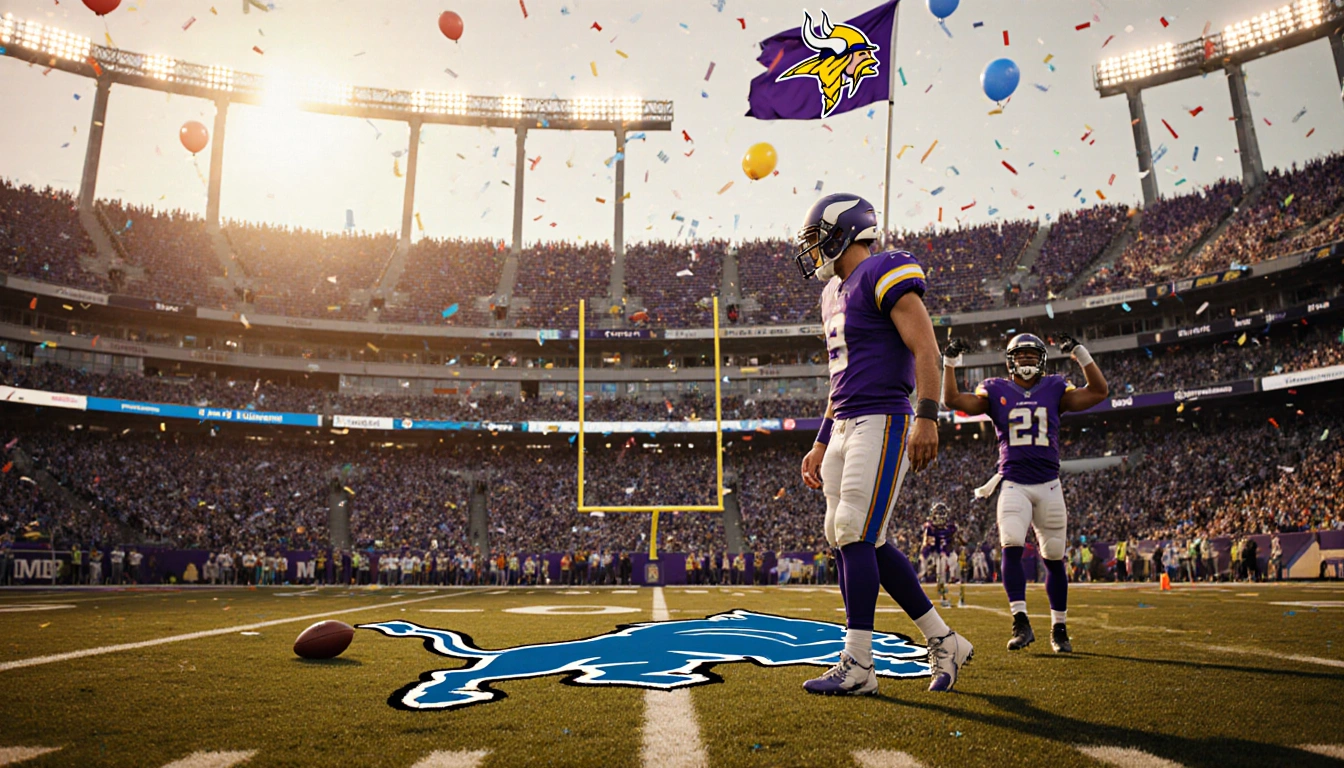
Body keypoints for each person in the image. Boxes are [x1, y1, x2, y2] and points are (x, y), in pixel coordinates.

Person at [795, 192, 972, 695]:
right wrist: (820, 440)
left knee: (852, 527)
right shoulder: (830, 294)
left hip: (883, 417)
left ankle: (859, 664)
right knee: (850, 536)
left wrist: (928, 415)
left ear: (843, 231)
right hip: (844, 423)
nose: (813, 250)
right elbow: (840, 378)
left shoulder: (883, 269)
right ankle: (945, 640)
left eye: (817, 238)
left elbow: (925, 347)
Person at [943, 330, 1109, 654]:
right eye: (1021, 356)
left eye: (1032, 356)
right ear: (1010, 362)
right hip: (1014, 483)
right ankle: (1021, 622)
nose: (1027, 361)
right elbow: (953, 401)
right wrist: (949, 362)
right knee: (1011, 547)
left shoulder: (1055, 387)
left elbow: (1099, 391)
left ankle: (1059, 628)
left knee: (1055, 558)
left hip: (1049, 484)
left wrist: (1080, 353)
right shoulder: (995, 389)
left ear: (1042, 360)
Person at [923, 503, 958, 608]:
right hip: (937, 554)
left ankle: (953, 590)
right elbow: (928, 544)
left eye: (940, 514)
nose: (938, 517)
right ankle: (943, 596)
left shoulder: (951, 528)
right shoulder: (930, 528)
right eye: (937, 514)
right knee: (940, 572)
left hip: (948, 553)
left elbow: (954, 541)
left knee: (954, 563)